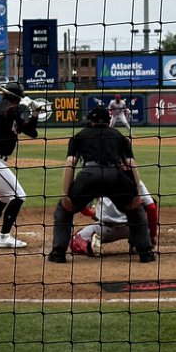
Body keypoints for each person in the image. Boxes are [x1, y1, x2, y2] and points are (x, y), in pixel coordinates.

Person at [48, 104, 153, 264]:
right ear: (108, 120)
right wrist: (136, 193)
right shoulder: (119, 136)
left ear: (90, 121)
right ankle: (145, 252)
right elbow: (132, 164)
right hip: (115, 177)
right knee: (135, 211)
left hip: (89, 176)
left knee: (64, 210)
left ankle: (58, 253)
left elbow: (70, 163)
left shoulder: (79, 136)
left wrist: (65, 195)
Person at [0, 82, 42, 249]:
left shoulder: (12, 112)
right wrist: (23, 106)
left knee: (5, 197)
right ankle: (4, 237)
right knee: (19, 196)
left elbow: (32, 132)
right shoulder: (1, 108)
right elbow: (7, 111)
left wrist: (34, 113)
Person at [68, 180, 160, 257]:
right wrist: (152, 235)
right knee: (148, 202)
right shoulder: (135, 179)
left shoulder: (98, 179)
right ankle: (139, 243)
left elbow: (82, 207)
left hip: (105, 229)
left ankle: (89, 247)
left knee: (75, 241)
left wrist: (93, 214)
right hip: (133, 228)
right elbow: (151, 207)